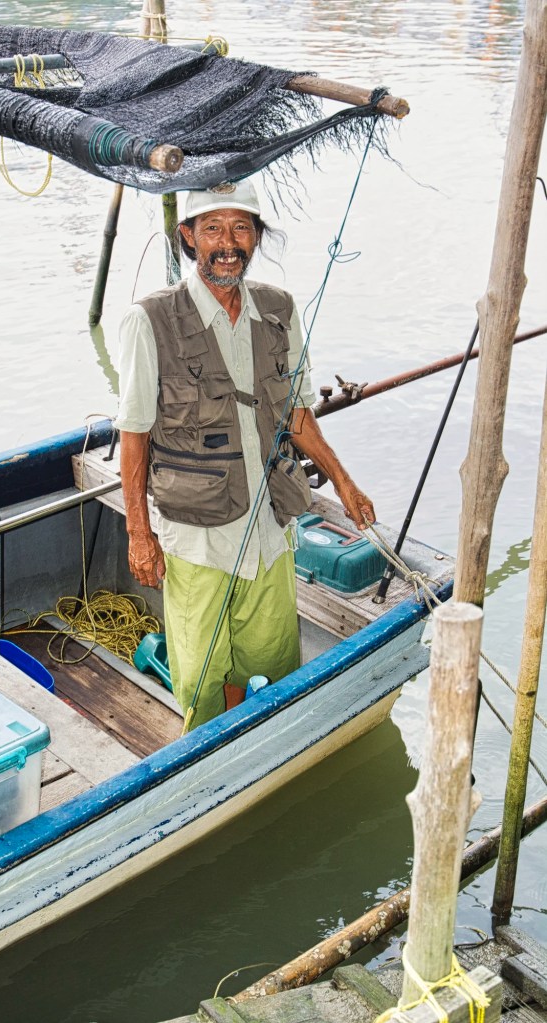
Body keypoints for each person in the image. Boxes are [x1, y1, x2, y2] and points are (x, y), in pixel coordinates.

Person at [115, 180, 375, 730]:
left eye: (241, 228)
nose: (227, 242)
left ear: (256, 238)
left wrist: (345, 483)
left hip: (270, 526)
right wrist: (140, 535)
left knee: (271, 657)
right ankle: (203, 755)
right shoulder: (150, 319)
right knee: (199, 674)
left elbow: (298, 415)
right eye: (212, 228)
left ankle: (253, 737)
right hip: (197, 533)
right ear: (188, 238)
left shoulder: (279, 309)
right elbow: (134, 434)